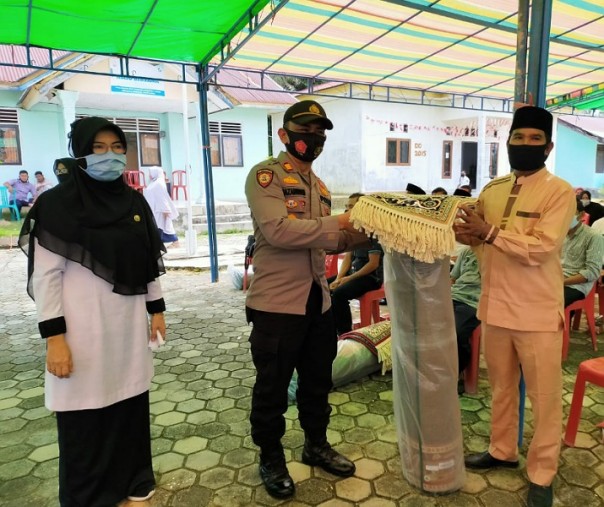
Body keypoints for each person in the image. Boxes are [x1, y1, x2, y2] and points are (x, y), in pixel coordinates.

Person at [18, 117, 167, 507]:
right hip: (80, 332)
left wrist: (157, 310)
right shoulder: (55, 206)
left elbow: (147, 259)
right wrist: (55, 341)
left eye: (118, 148)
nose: (110, 156)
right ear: (80, 153)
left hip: (127, 328)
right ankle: (89, 496)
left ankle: (134, 481)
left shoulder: (133, 201)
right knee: (85, 418)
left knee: (129, 405)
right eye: (99, 148)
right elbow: (46, 279)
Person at [454, 105, 575, 507]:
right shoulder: (492, 190)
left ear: (548, 146)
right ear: (507, 143)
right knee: (503, 388)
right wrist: (466, 230)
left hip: (537, 312)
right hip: (494, 307)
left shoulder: (558, 192)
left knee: (543, 398)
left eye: (534, 139)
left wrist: (488, 231)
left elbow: (542, 248)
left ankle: (542, 473)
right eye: (518, 138)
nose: (524, 145)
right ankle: (502, 450)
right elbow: (477, 242)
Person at [245, 100, 366, 499]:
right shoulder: (266, 177)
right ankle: (271, 457)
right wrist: (339, 226)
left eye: (320, 132)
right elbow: (280, 231)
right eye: (305, 129)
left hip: (319, 302)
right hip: (277, 305)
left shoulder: (321, 187)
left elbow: (332, 238)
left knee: (318, 382)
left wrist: (370, 229)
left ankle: (316, 444)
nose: (313, 138)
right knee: (273, 387)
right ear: (285, 134)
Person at [329, 193, 384, 335]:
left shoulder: (372, 231)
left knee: (339, 294)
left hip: (370, 278)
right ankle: (327, 328)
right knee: (321, 285)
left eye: (351, 207)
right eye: (346, 207)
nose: (347, 210)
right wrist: (339, 278)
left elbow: (373, 264)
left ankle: (344, 333)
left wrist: (347, 279)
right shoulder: (353, 229)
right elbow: (348, 257)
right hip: (354, 273)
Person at [562, 199, 604, 307]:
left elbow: (592, 272)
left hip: (576, 285)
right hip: (555, 280)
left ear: (581, 215)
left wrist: (562, 282)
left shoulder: (593, 237)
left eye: (570, 212)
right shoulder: (558, 234)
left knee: (550, 302)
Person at [450, 246, 481, 394]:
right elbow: (453, 278)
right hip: (454, 296)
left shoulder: (496, 253)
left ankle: (457, 374)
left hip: (474, 302)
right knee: (426, 322)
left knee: (456, 332)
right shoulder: (466, 251)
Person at [144, 166, 180, 247]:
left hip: (160, 210)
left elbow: (162, 198)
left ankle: (175, 242)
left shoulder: (159, 183)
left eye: (151, 173)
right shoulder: (154, 182)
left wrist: (166, 210)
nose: (149, 175)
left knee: (165, 227)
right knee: (159, 227)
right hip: (154, 209)